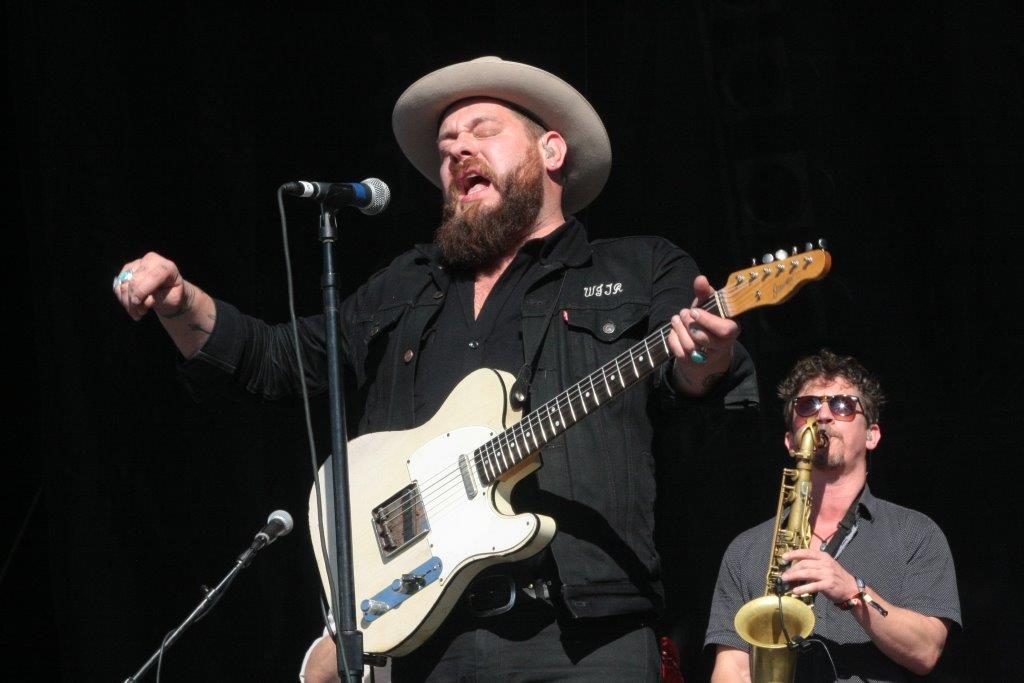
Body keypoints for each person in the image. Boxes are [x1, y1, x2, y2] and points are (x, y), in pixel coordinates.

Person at [113, 56, 756, 681]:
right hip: (423, 640)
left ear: (552, 151)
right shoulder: (404, 286)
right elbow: (275, 362)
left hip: (582, 640)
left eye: (482, 131)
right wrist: (180, 303)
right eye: (447, 144)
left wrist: (707, 357)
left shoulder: (639, 270)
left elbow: (695, 390)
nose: (455, 152)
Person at [705, 349, 961, 682]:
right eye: (807, 405)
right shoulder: (746, 550)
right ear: (790, 441)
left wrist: (852, 592)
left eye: (842, 405)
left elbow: (925, 651)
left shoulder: (915, 534)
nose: (823, 415)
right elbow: (733, 669)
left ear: (872, 435)